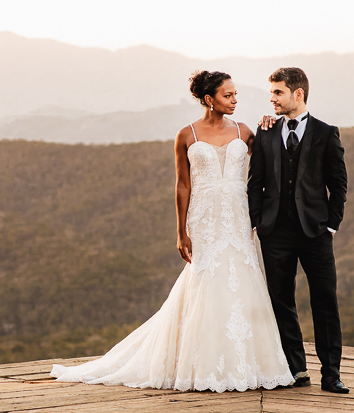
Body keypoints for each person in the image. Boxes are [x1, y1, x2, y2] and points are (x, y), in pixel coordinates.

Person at [51, 71, 294, 392]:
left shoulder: (244, 131)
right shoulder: (186, 135)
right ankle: (202, 364)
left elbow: (270, 161)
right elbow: (182, 184)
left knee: (242, 280)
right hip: (204, 218)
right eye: (228, 96)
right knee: (205, 280)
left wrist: (271, 127)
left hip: (238, 216)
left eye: (236, 94)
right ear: (209, 100)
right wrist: (181, 231)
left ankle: (246, 363)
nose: (235, 100)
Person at [249, 67, 350, 393]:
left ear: (298, 94)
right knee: (281, 301)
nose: (272, 98)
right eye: (272, 93)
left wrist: (331, 224)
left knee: (325, 301)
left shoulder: (325, 132)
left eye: (277, 92)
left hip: (315, 232)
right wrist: (257, 222)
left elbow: (338, 183)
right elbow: (256, 183)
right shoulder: (265, 132)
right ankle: (295, 368)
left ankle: (331, 374)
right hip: (274, 231)